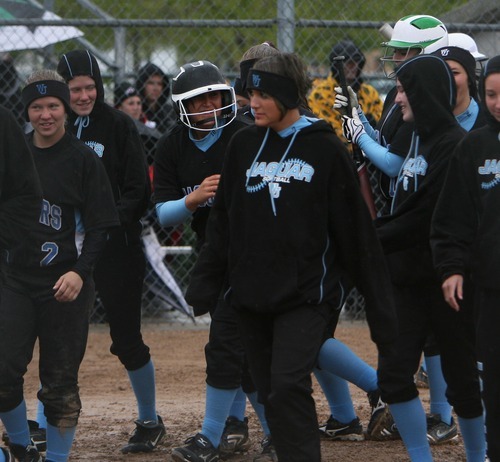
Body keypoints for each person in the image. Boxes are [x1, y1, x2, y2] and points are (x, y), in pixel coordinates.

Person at [184, 52, 398, 462]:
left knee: (286, 385)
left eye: (263, 94)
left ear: (286, 95)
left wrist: (380, 307)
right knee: (269, 393)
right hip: (252, 296)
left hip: (307, 295)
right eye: (250, 93)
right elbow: (224, 221)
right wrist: (207, 280)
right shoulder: (243, 145)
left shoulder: (325, 149)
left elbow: (356, 235)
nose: (253, 102)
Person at [360, 54, 485, 462]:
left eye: (404, 90)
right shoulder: (415, 137)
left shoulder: (454, 145)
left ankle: (477, 455)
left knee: (461, 380)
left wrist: (366, 240)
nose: (397, 100)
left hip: (446, 280)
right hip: (407, 280)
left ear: (426, 93)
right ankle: (420, 457)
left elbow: (423, 218)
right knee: (394, 375)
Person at [152, 59, 270, 462]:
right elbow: (162, 213)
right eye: (198, 102)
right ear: (183, 107)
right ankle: (274, 435)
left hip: (256, 254)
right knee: (243, 350)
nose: (208, 107)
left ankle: (212, 436)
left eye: (214, 98)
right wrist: (193, 199)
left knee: (227, 345)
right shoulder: (172, 145)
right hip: (213, 255)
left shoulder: (246, 135)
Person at [0, 70, 118, 462]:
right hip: (14, 279)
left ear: (66, 109)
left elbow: (101, 227)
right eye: (36, 106)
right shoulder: (14, 154)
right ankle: (21, 446)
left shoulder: (82, 159)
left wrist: (79, 273)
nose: (45, 114)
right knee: (2, 372)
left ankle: (56, 459)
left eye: (53, 105)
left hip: (64, 284)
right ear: (27, 110)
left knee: (60, 383)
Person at [55, 49, 166, 454]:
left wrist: (101, 225)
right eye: (74, 89)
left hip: (116, 245)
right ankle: (49, 415)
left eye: (89, 88)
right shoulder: (54, 124)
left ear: (99, 86)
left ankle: (150, 420)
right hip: (67, 250)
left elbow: (139, 190)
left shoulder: (119, 125)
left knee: (125, 337)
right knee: (58, 336)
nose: (83, 96)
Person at [431, 54, 500, 462]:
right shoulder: (474, 146)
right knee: (494, 385)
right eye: (490, 94)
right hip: (491, 290)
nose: (497, 103)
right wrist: (453, 267)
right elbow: (452, 217)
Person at [308, 39, 383, 145]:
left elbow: (383, 125)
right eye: (347, 61)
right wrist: (366, 123)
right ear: (336, 65)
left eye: (356, 60)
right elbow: (330, 134)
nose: (353, 65)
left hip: (371, 153)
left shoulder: (369, 92)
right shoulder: (320, 95)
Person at [136, 62, 177, 134]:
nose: (156, 88)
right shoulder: (136, 111)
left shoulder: (170, 112)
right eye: (151, 83)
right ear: (142, 85)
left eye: (159, 84)